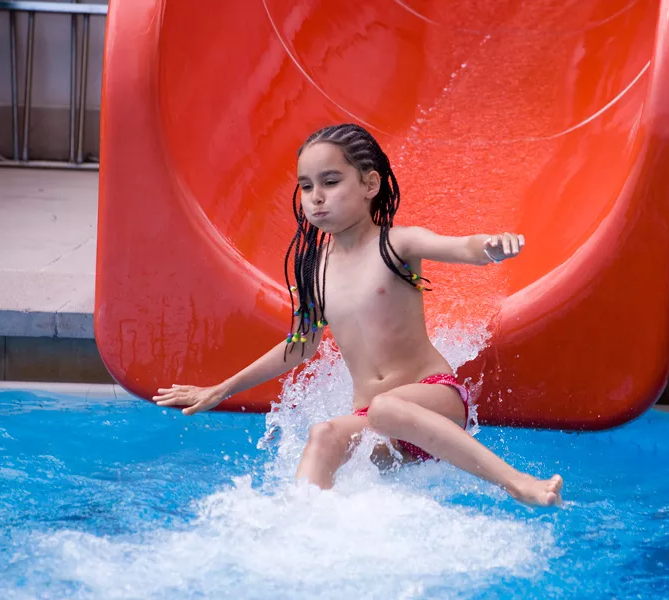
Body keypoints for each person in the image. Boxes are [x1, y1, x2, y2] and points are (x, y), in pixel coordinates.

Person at [153, 124, 563, 506]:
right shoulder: (314, 268)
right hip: (378, 428)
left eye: (331, 182)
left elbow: (461, 247)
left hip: (433, 401)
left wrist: (490, 247)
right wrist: (221, 389)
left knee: (386, 408)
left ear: (370, 184)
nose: (316, 197)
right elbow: (300, 346)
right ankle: (300, 528)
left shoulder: (397, 244)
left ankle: (519, 483)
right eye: (306, 186)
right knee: (325, 435)